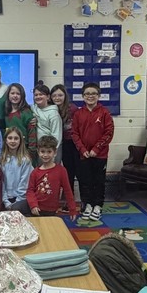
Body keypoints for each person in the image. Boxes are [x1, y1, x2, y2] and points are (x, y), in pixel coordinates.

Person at [72, 82, 114, 222]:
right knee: (85, 181)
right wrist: (83, 149)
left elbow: (109, 133)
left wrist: (96, 149)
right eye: (87, 94)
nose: (90, 96)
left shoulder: (105, 112)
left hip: (100, 155)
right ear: (83, 96)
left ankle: (97, 206)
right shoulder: (78, 114)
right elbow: (74, 134)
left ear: (98, 96)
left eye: (93, 93)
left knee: (99, 181)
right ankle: (88, 204)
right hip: (84, 155)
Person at [27, 136, 77, 219]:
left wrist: (72, 209)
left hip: (50, 210)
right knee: (17, 208)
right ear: (38, 152)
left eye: (49, 152)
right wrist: (33, 205)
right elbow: (30, 191)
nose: (45, 155)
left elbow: (68, 190)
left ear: (55, 152)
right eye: (42, 152)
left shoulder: (61, 170)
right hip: (36, 208)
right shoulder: (35, 172)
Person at [51, 83, 78, 191]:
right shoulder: (50, 109)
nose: (57, 98)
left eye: (60, 95)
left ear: (65, 96)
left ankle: (69, 194)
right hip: (56, 142)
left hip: (70, 143)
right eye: (54, 96)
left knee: (70, 170)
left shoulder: (72, 109)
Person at [0, 127, 33, 213]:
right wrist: (6, 201)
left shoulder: (25, 160)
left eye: (16, 138)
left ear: (20, 141)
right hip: (4, 198)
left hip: (20, 199)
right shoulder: (1, 160)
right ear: (6, 140)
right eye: (10, 138)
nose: (13, 141)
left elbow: (24, 183)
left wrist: (16, 203)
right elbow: (1, 182)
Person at [4, 83, 37, 158]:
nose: (15, 96)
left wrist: (31, 152)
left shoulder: (26, 113)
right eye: (12, 93)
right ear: (8, 95)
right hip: (10, 150)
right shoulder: (6, 112)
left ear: (22, 96)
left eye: (18, 94)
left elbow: (32, 133)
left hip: (25, 151)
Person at [32, 83, 62, 162]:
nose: (38, 97)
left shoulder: (53, 114)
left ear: (48, 97)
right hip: (38, 149)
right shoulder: (33, 108)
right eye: (36, 95)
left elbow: (56, 135)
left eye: (41, 94)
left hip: (49, 151)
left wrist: (51, 153)